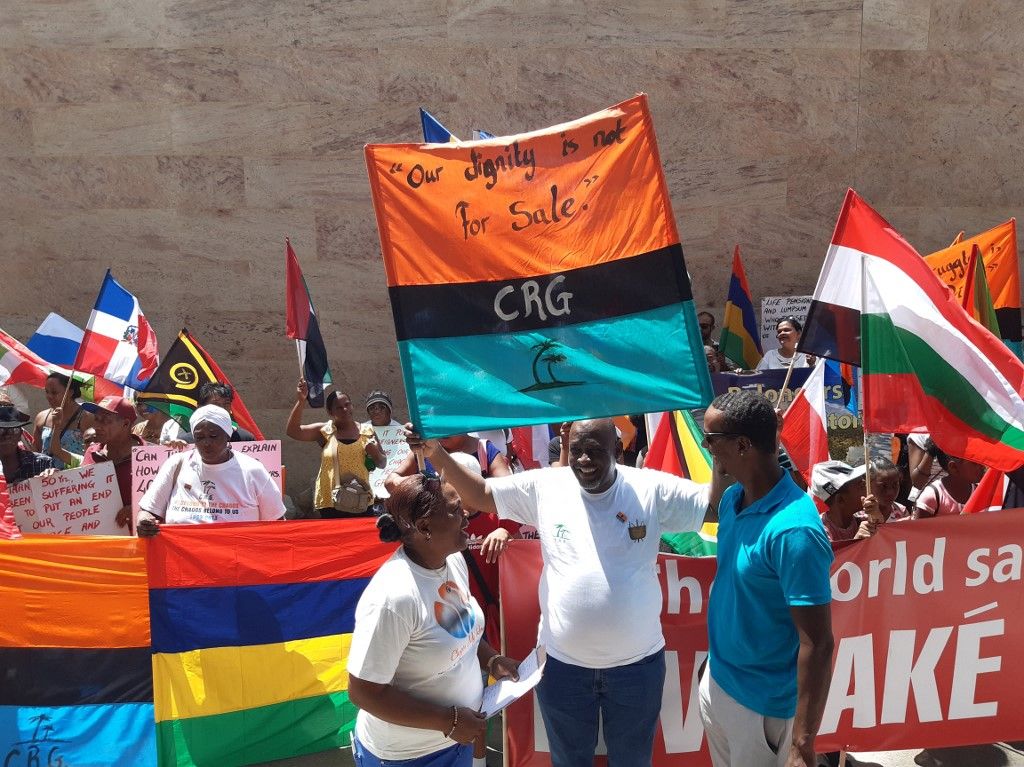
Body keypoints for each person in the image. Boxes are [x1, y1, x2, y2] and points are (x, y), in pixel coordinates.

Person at [406, 417, 720, 767]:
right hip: (562, 670)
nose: (584, 460)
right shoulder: (547, 485)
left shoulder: (650, 488)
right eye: (577, 451)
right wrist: (435, 452)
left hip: (637, 669)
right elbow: (481, 494)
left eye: (595, 451)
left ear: (618, 450)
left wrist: (721, 448)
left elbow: (714, 504)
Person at [698, 390, 834, 767]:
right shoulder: (730, 501)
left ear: (742, 445)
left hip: (761, 710)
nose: (708, 448)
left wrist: (801, 744)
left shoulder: (795, 532)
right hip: (719, 683)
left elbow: (819, 643)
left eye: (711, 440)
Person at [347, 474, 521, 767]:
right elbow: (363, 692)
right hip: (407, 757)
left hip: (456, 741)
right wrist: (448, 720)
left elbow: (460, 629)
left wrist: (492, 660)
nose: (466, 516)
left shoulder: (452, 560)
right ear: (425, 527)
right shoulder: (394, 598)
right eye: (455, 510)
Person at [136, 405, 285, 535]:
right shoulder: (176, 464)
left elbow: (277, 524)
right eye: (199, 437)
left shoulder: (252, 471)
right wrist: (144, 521)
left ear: (228, 435)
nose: (207, 443)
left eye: (213, 436)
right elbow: (147, 511)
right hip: (183, 562)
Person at [286, 380, 385, 517]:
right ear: (330, 411)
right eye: (339, 407)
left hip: (360, 500)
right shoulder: (324, 431)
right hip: (330, 502)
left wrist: (374, 453)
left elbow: (382, 463)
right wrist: (301, 401)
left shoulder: (367, 431)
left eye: (347, 404)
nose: (344, 409)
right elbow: (293, 431)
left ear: (352, 406)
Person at [81, 396, 143, 532]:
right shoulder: (91, 453)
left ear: (126, 424)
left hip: (138, 544)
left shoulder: (150, 456)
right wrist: (55, 479)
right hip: (98, 542)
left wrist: (140, 509)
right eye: (96, 419)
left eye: (106, 420)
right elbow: (79, 493)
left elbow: (167, 501)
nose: (97, 426)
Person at [32, 372, 93, 469]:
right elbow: (36, 452)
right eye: (47, 392)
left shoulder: (86, 417)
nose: (49, 396)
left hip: (77, 480)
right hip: (47, 479)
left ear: (70, 392)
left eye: (54, 392)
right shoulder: (42, 417)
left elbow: (92, 453)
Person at [810, 460, 877, 543]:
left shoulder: (864, 518)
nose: (868, 487)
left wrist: (877, 516)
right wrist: (856, 542)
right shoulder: (819, 533)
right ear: (840, 500)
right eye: (861, 485)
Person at [912, 449, 985, 519]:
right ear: (954, 467)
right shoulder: (932, 496)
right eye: (975, 463)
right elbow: (918, 529)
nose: (982, 466)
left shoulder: (980, 493)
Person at [175, 382, 256, 444]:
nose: (222, 409)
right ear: (200, 408)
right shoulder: (185, 442)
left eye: (226, 404)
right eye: (216, 404)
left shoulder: (246, 439)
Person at [0, 405, 56, 485]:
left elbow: (54, 492)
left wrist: (53, 478)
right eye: (1, 430)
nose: (7, 435)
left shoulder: (43, 463)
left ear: (20, 435)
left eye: (14, 430)